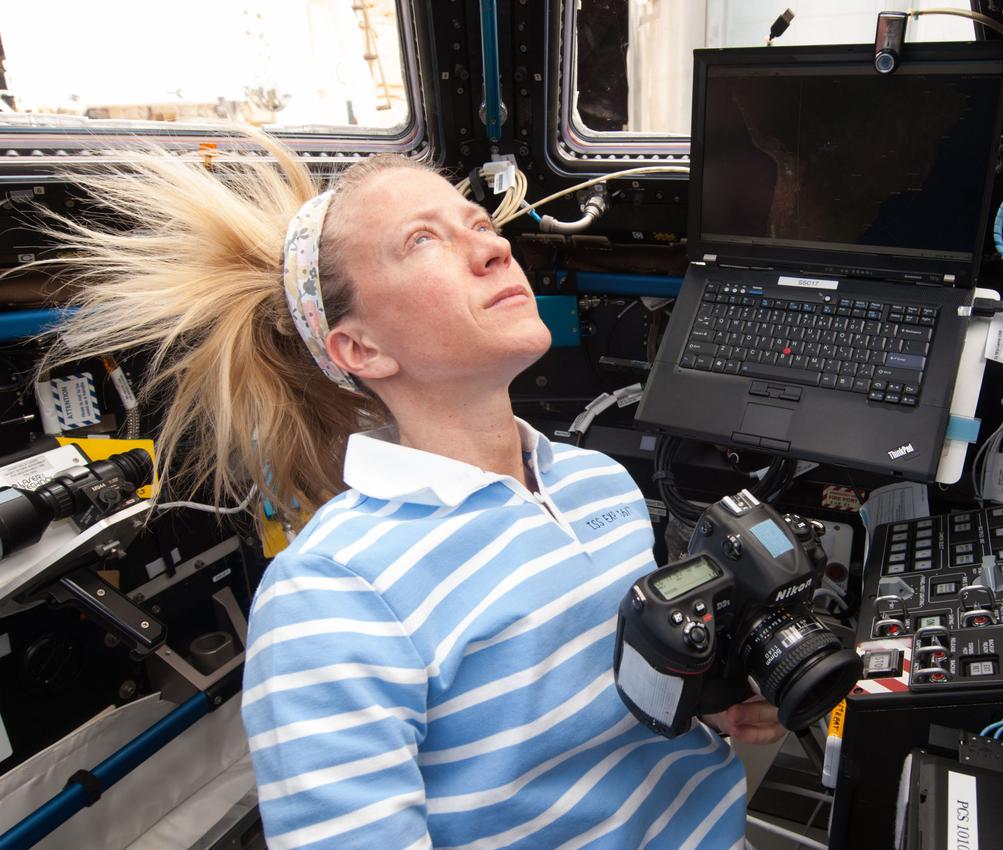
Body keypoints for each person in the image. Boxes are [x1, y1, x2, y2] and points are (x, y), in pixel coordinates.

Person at [40, 130, 784, 849]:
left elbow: (612, 701)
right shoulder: (333, 592)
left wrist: (703, 704)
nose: (494, 248)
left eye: (480, 224)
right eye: (423, 240)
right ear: (360, 348)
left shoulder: (597, 483)